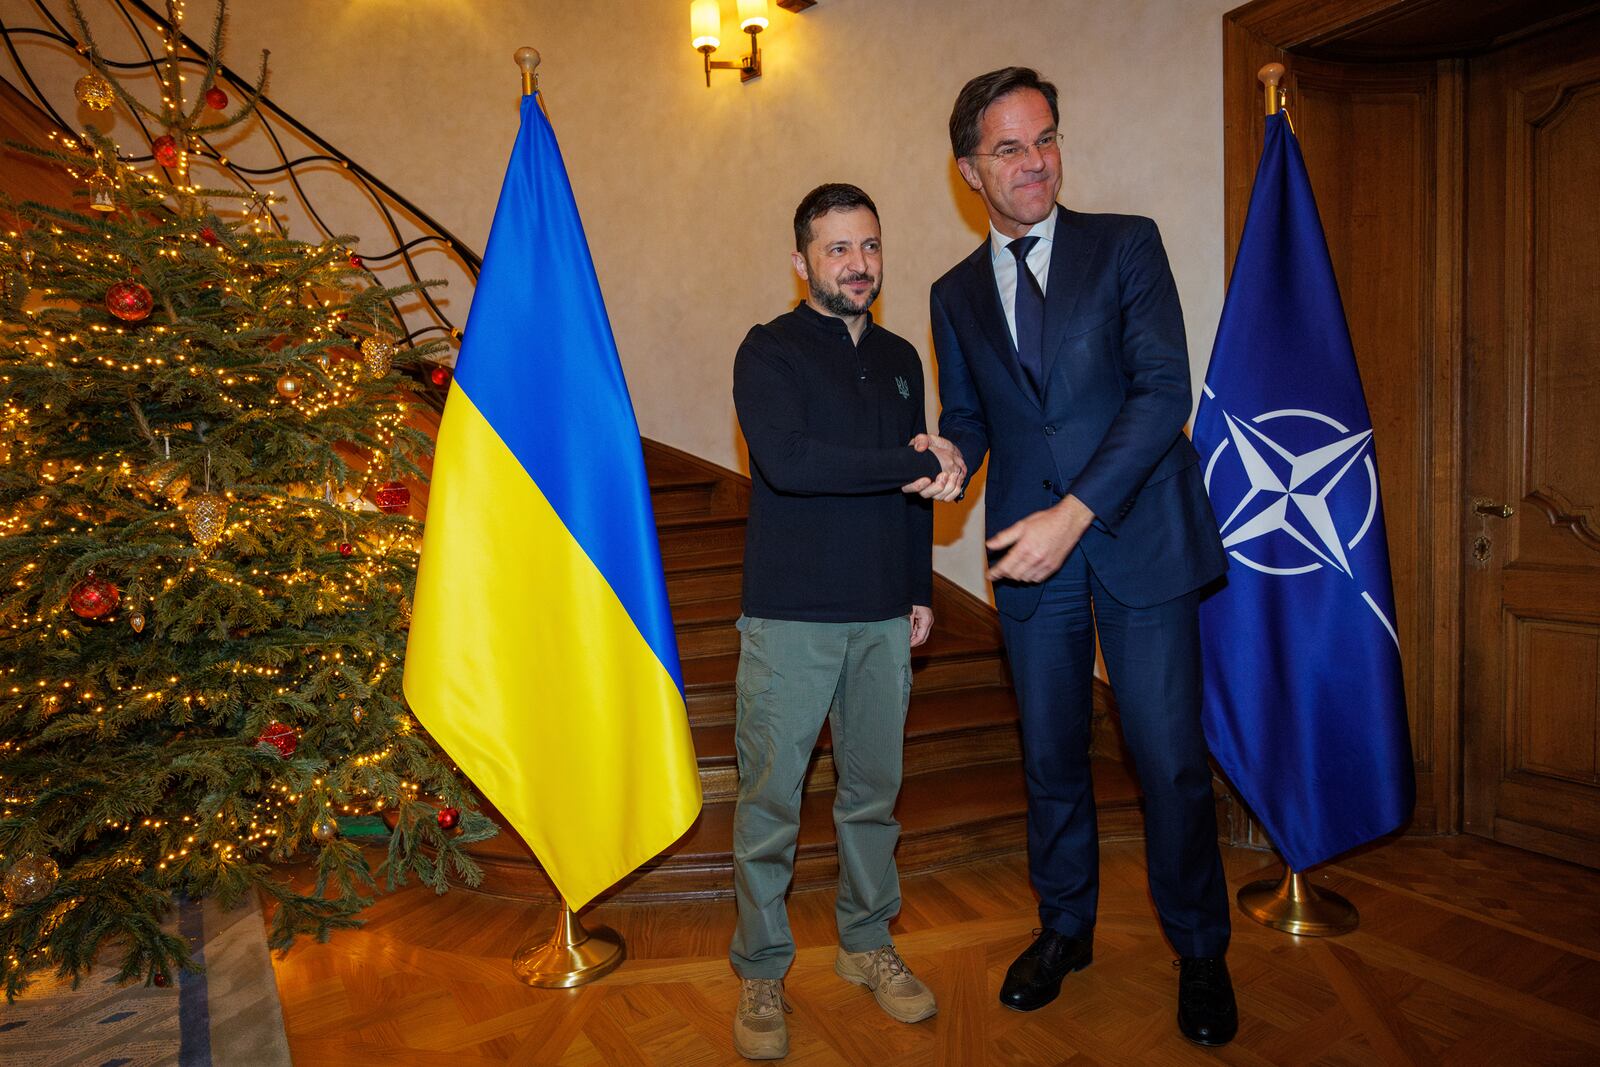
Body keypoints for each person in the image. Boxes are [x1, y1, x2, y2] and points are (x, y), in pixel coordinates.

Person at [926, 67, 1238, 1046]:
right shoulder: (952, 294)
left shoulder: (1125, 245)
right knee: (1051, 754)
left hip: (1137, 535)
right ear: (970, 169)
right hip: (1031, 556)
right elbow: (974, 416)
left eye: (1045, 138)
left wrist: (1074, 508)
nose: (1035, 161)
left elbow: (1161, 392)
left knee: (1168, 758)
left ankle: (1198, 947)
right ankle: (1065, 926)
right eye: (1009, 147)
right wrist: (950, 458)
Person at [727, 183, 963, 1060]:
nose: (858, 263)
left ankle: (868, 944)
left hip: (878, 616)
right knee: (770, 806)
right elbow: (790, 464)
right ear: (802, 262)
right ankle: (759, 968)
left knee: (871, 799)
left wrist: (920, 589)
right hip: (790, 618)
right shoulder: (769, 351)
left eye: (869, 245)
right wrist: (909, 463)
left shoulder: (903, 356)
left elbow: (909, 500)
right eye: (837, 249)